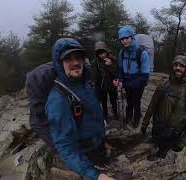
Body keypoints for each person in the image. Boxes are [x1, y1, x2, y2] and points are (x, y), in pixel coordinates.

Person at [45, 38, 114, 180]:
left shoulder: (85, 83)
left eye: (78, 57)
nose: (75, 62)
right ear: (59, 63)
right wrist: (95, 176)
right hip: (85, 157)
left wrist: (102, 136)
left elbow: (92, 111)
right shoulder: (58, 99)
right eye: (68, 59)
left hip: (98, 145)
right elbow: (65, 146)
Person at [140, 55, 186, 161]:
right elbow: (152, 106)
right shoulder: (163, 85)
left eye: (182, 66)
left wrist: (184, 141)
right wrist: (145, 123)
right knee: (157, 142)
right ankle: (158, 149)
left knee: (164, 154)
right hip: (158, 128)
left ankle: (161, 157)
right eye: (175, 65)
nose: (178, 68)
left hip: (174, 134)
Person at [113, 25, 151, 128]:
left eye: (127, 38)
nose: (124, 41)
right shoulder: (122, 52)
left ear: (132, 37)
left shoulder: (142, 53)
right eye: (122, 39)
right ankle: (129, 116)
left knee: (136, 101)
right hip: (127, 82)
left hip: (138, 82)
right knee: (129, 101)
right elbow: (120, 69)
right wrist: (117, 78)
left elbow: (144, 76)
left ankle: (136, 118)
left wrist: (126, 84)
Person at [92, 41, 118, 121]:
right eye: (100, 54)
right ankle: (105, 116)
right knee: (104, 102)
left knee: (113, 101)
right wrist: (94, 84)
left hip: (111, 85)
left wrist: (110, 65)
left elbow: (116, 73)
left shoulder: (113, 59)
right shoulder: (95, 62)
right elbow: (94, 76)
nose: (102, 55)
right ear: (97, 54)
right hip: (101, 86)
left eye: (103, 52)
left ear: (106, 51)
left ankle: (115, 114)